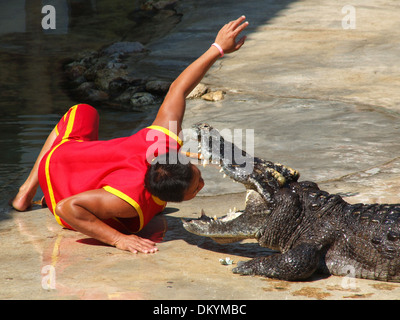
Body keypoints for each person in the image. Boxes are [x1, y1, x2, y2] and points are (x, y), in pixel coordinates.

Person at [11, 16, 249, 254]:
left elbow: (178, 88)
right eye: (196, 187)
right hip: (59, 184)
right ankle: (27, 189)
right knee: (84, 114)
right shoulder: (128, 199)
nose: (203, 184)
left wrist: (217, 48)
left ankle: (31, 188)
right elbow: (66, 208)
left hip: (74, 159)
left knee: (83, 111)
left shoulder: (162, 144)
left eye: (198, 182)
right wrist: (118, 240)